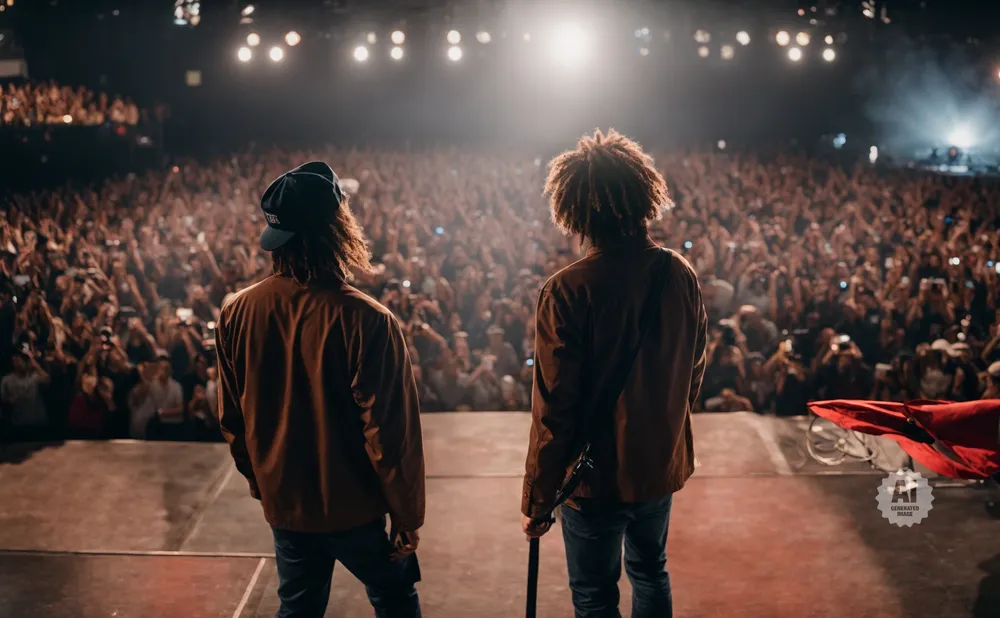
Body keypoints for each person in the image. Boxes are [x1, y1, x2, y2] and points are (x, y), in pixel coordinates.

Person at [214, 161, 425, 618]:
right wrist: (407, 515)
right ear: (339, 230)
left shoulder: (236, 312)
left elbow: (233, 418)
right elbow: (389, 435)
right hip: (358, 509)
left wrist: (262, 482)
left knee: (298, 608)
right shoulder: (369, 320)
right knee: (394, 598)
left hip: (287, 505)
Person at [521, 130, 708, 618]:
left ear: (575, 208)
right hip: (658, 466)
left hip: (592, 478)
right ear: (643, 197)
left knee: (594, 593)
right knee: (651, 572)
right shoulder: (678, 273)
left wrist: (539, 495)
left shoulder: (566, 290)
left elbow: (554, 406)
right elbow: (694, 367)